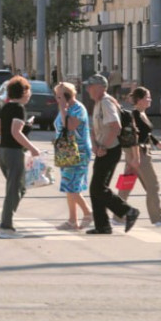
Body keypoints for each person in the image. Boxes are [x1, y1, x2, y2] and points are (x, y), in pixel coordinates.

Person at [84, 75, 140, 235]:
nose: (88, 89)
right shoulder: (98, 103)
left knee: (98, 187)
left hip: (110, 149)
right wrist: (95, 144)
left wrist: (103, 146)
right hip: (103, 149)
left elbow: (115, 126)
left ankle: (128, 211)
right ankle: (103, 225)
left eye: (90, 86)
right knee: (97, 188)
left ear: (101, 87)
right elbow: (95, 128)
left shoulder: (106, 102)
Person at [122, 88, 161, 226]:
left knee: (125, 186)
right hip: (139, 153)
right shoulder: (135, 115)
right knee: (153, 186)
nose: (150, 100)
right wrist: (136, 157)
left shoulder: (141, 114)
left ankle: (117, 217)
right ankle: (158, 217)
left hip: (134, 153)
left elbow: (148, 136)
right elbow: (135, 137)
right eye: (148, 97)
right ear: (140, 100)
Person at [0, 76, 42, 239]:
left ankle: (6, 222)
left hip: (2, 151)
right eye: (28, 90)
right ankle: (6, 226)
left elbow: (0, 131)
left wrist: (25, 126)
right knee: (14, 189)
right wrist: (33, 148)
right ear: (23, 92)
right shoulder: (19, 108)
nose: (30, 94)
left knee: (18, 187)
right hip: (14, 152)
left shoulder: (5, 107)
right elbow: (15, 132)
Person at [53, 82, 94, 231]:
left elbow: (69, 126)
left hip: (78, 152)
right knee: (68, 185)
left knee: (71, 186)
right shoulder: (66, 108)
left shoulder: (78, 109)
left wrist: (63, 110)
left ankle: (89, 213)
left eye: (59, 96)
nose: (57, 100)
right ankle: (72, 220)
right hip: (66, 151)